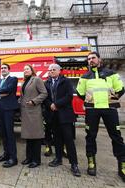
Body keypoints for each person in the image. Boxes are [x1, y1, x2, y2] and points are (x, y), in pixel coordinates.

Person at [76, 52, 125, 181]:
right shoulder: (85, 76)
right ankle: (91, 162)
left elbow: (120, 88)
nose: (90, 60)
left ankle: (122, 165)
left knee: (116, 137)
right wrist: (89, 101)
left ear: (99, 59)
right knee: (90, 136)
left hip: (110, 109)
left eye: (93, 58)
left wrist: (111, 100)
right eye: (88, 59)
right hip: (92, 110)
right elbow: (80, 93)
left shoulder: (111, 74)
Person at [44, 63, 81, 177]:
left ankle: (74, 164)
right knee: (57, 139)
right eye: (50, 70)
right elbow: (45, 97)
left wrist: (56, 104)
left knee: (69, 140)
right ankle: (58, 159)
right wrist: (50, 104)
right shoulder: (47, 83)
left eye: (54, 69)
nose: (51, 71)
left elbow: (69, 96)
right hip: (53, 115)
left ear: (59, 71)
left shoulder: (66, 81)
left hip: (65, 115)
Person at [20, 65, 47, 168]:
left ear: (32, 70)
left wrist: (34, 101)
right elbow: (24, 96)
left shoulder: (36, 79)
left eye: (27, 69)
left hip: (34, 112)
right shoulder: (24, 81)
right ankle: (29, 158)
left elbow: (44, 93)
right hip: (26, 112)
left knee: (36, 137)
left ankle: (36, 160)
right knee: (28, 137)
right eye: (24, 69)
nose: (25, 70)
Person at [0, 63, 19, 168]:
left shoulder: (13, 79)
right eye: (2, 68)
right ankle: (6, 154)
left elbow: (8, 89)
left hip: (8, 110)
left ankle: (13, 158)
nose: (3, 69)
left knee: (9, 134)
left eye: (5, 68)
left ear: (9, 70)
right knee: (3, 133)